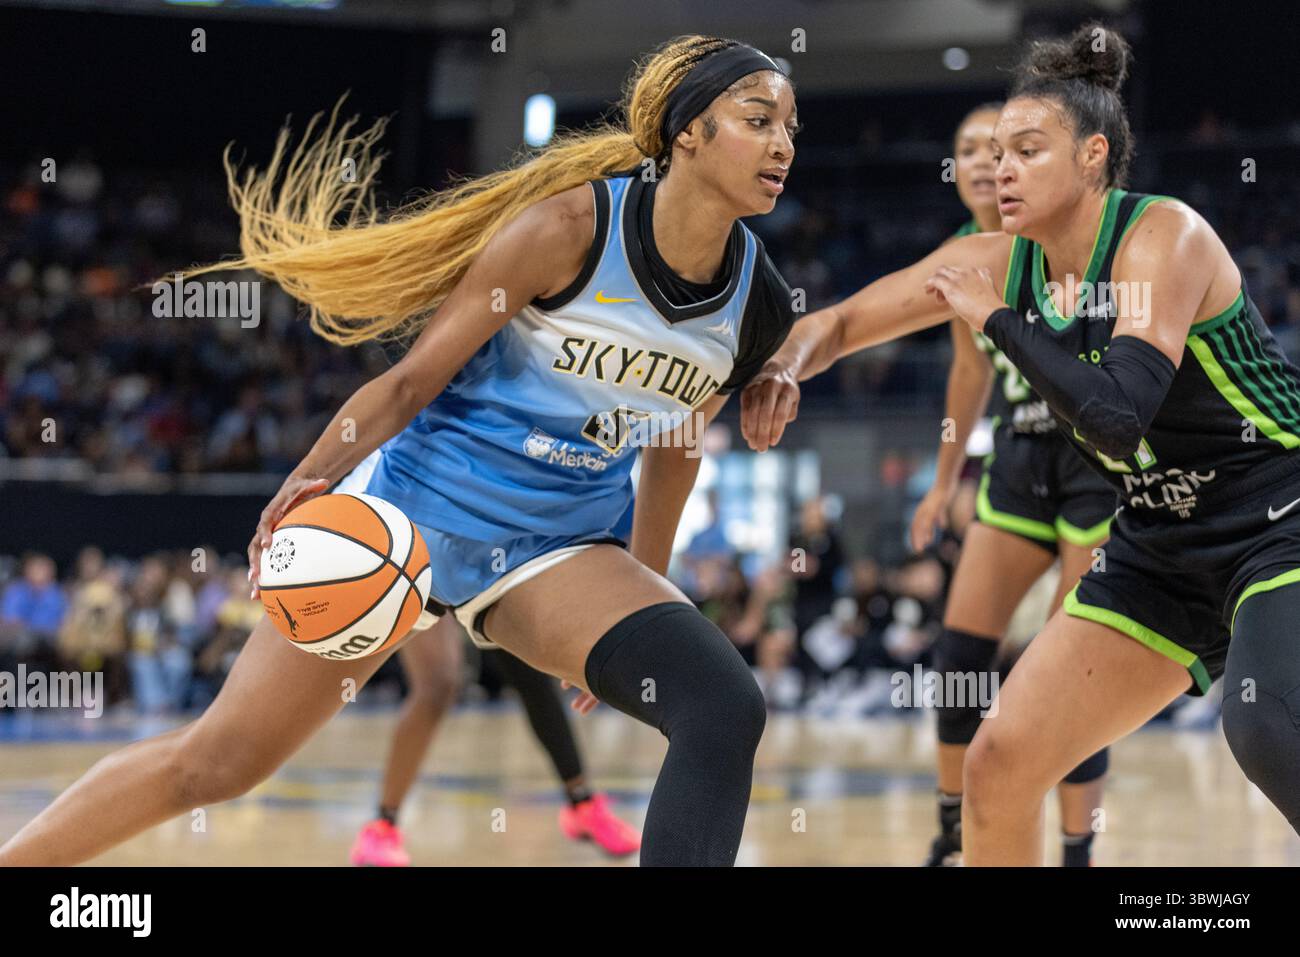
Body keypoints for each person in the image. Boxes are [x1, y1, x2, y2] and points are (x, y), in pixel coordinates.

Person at [0, 34, 799, 867]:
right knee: (215, 763)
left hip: (558, 550)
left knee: (721, 701)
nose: (782, 144)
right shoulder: (568, 228)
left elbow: (676, 445)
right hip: (405, 519)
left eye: (792, 128)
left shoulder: (757, 307)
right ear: (686, 134)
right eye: (758, 119)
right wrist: (311, 477)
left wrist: (649, 589)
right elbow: (414, 381)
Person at [742, 22, 1300, 865]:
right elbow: (846, 319)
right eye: (995, 151)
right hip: (1159, 540)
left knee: (1265, 724)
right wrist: (786, 362)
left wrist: (996, 320)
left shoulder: (1163, 238)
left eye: (1026, 150)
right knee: (999, 761)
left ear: (1092, 157)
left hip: (1276, 514)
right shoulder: (999, 259)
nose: (999, 167)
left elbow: (1116, 416)